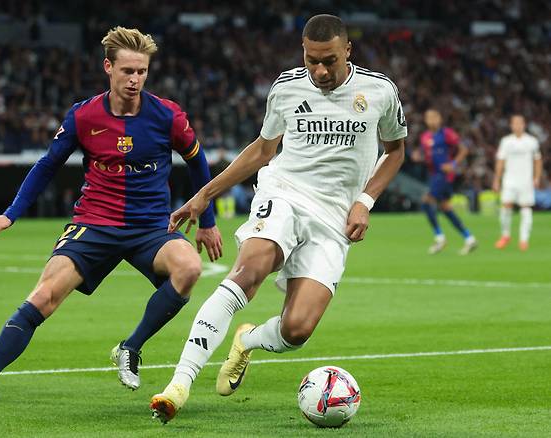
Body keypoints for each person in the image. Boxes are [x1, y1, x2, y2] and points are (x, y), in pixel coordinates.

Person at [150, 14, 407, 423]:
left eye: (328, 61)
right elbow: (262, 151)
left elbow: (395, 151)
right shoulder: (287, 88)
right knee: (247, 273)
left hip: (334, 218)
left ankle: (247, 340)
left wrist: (365, 200)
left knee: (297, 330)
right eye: (311, 60)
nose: (319, 71)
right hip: (283, 193)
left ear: (347, 51)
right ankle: (178, 384)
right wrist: (203, 195)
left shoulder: (378, 91)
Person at [0, 27, 222, 400]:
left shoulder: (167, 116)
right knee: (45, 295)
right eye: (127, 71)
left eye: (142, 72)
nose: (135, 79)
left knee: (189, 268)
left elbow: (198, 163)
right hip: (94, 224)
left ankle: (130, 347)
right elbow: (48, 165)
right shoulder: (84, 116)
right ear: (108, 68)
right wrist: (10, 214)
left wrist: (207, 222)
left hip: (150, 229)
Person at [414, 108, 477, 255]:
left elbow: (464, 149)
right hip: (434, 175)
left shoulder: (446, 133)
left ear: (440, 119)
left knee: (426, 201)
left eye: (434, 117)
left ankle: (439, 237)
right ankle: (469, 238)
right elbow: (428, 156)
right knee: (446, 208)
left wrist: (453, 164)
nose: (432, 120)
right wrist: (419, 156)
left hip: (444, 175)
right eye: (428, 117)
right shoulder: (425, 137)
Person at [492, 115, 542, 251]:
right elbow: (500, 161)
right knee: (505, 207)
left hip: (525, 180)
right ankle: (505, 235)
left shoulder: (532, 141)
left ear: (524, 125)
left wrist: (537, 177)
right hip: (509, 180)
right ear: (511, 125)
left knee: (526, 208)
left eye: (520, 123)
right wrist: (496, 179)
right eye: (515, 123)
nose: (517, 126)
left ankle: (524, 240)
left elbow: (537, 160)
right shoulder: (506, 141)